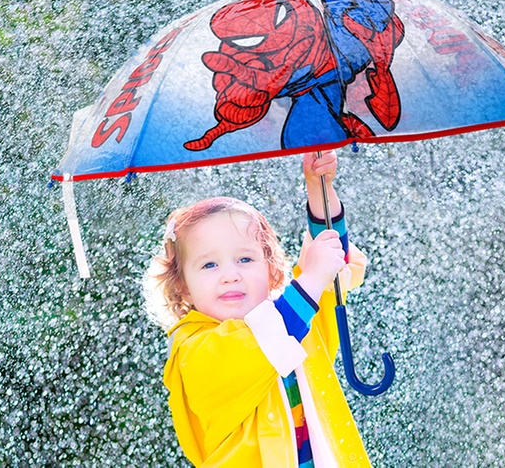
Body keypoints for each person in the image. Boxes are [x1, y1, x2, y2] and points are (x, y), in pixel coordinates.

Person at [145, 150, 372, 468]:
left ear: (272, 269)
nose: (230, 275)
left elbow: (332, 261)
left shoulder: (299, 313)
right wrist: (311, 277)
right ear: (182, 285)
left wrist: (320, 190)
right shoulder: (192, 350)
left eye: (245, 259)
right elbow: (265, 342)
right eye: (209, 264)